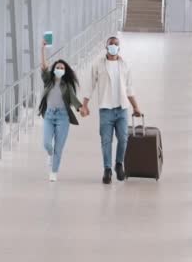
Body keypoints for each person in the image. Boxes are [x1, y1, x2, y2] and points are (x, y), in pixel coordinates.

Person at [81, 36, 142, 184]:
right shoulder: (98, 65)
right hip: (106, 110)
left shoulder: (125, 65)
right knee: (106, 141)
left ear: (119, 47)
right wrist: (85, 104)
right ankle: (107, 169)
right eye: (111, 44)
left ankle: (119, 164)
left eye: (116, 44)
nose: (113, 46)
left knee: (123, 139)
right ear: (106, 47)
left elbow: (129, 88)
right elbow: (90, 85)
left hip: (122, 109)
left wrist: (135, 107)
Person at [39, 39, 84, 182]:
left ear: (65, 71)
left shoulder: (67, 86)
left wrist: (81, 108)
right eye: (57, 67)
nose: (59, 69)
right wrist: (42, 50)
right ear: (54, 69)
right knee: (47, 143)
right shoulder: (48, 81)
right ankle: (49, 154)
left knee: (59, 146)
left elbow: (73, 99)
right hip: (49, 115)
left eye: (62, 68)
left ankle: (54, 172)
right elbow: (44, 67)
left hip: (63, 117)